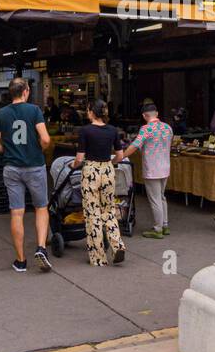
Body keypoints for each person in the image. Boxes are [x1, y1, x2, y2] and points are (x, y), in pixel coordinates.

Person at [0, 78, 53, 274]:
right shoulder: (34, 110)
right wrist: (37, 150)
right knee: (41, 207)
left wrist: (9, 150)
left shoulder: (1, 113)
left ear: (11, 93)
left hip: (12, 168)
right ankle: (41, 248)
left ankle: (20, 260)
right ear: (26, 91)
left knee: (16, 212)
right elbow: (45, 139)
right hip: (34, 166)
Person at [72, 101, 126, 266]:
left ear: (91, 112)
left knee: (92, 212)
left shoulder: (85, 130)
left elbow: (80, 158)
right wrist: (111, 163)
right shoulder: (112, 130)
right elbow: (120, 156)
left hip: (91, 171)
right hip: (108, 170)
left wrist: (73, 165)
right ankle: (117, 245)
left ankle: (98, 258)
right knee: (109, 210)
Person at [117, 101, 172, 239]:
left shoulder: (146, 128)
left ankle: (157, 229)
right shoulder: (167, 128)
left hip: (152, 169)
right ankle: (165, 225)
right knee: (161, 196)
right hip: (165, 167)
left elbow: (135, 145)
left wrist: (121, 156)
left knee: (155, 200)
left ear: (144, 115)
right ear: (157, 113)